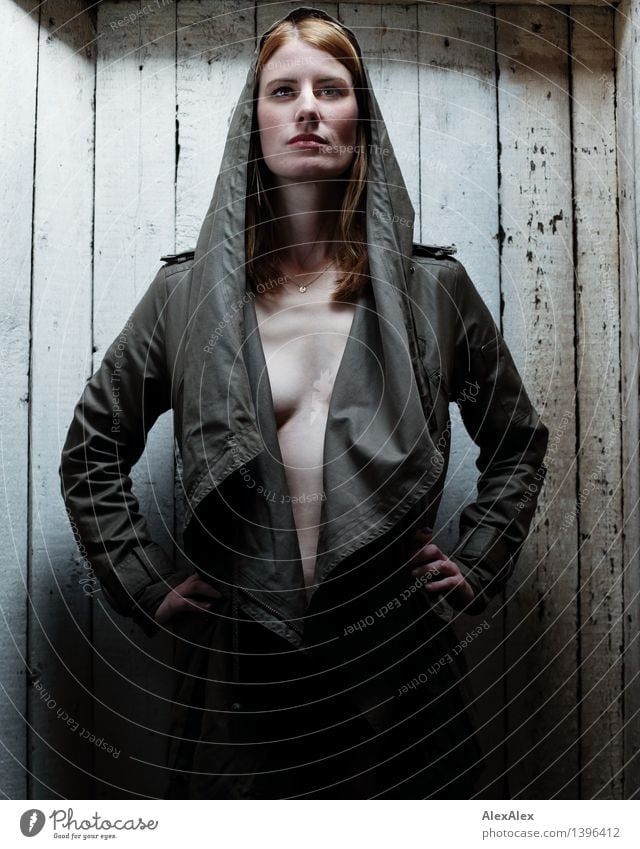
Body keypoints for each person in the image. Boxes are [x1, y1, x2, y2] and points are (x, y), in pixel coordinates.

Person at [59, 6, 549, 799]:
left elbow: (518, 439)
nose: (309, 108)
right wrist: (148, 581)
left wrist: (477, 555)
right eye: (282, 90)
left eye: (332, 88)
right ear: (253, 122)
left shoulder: (436, 291)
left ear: (363, 117)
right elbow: (92, 446)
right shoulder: (186, 296)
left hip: (399, 659)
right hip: (244, 664)